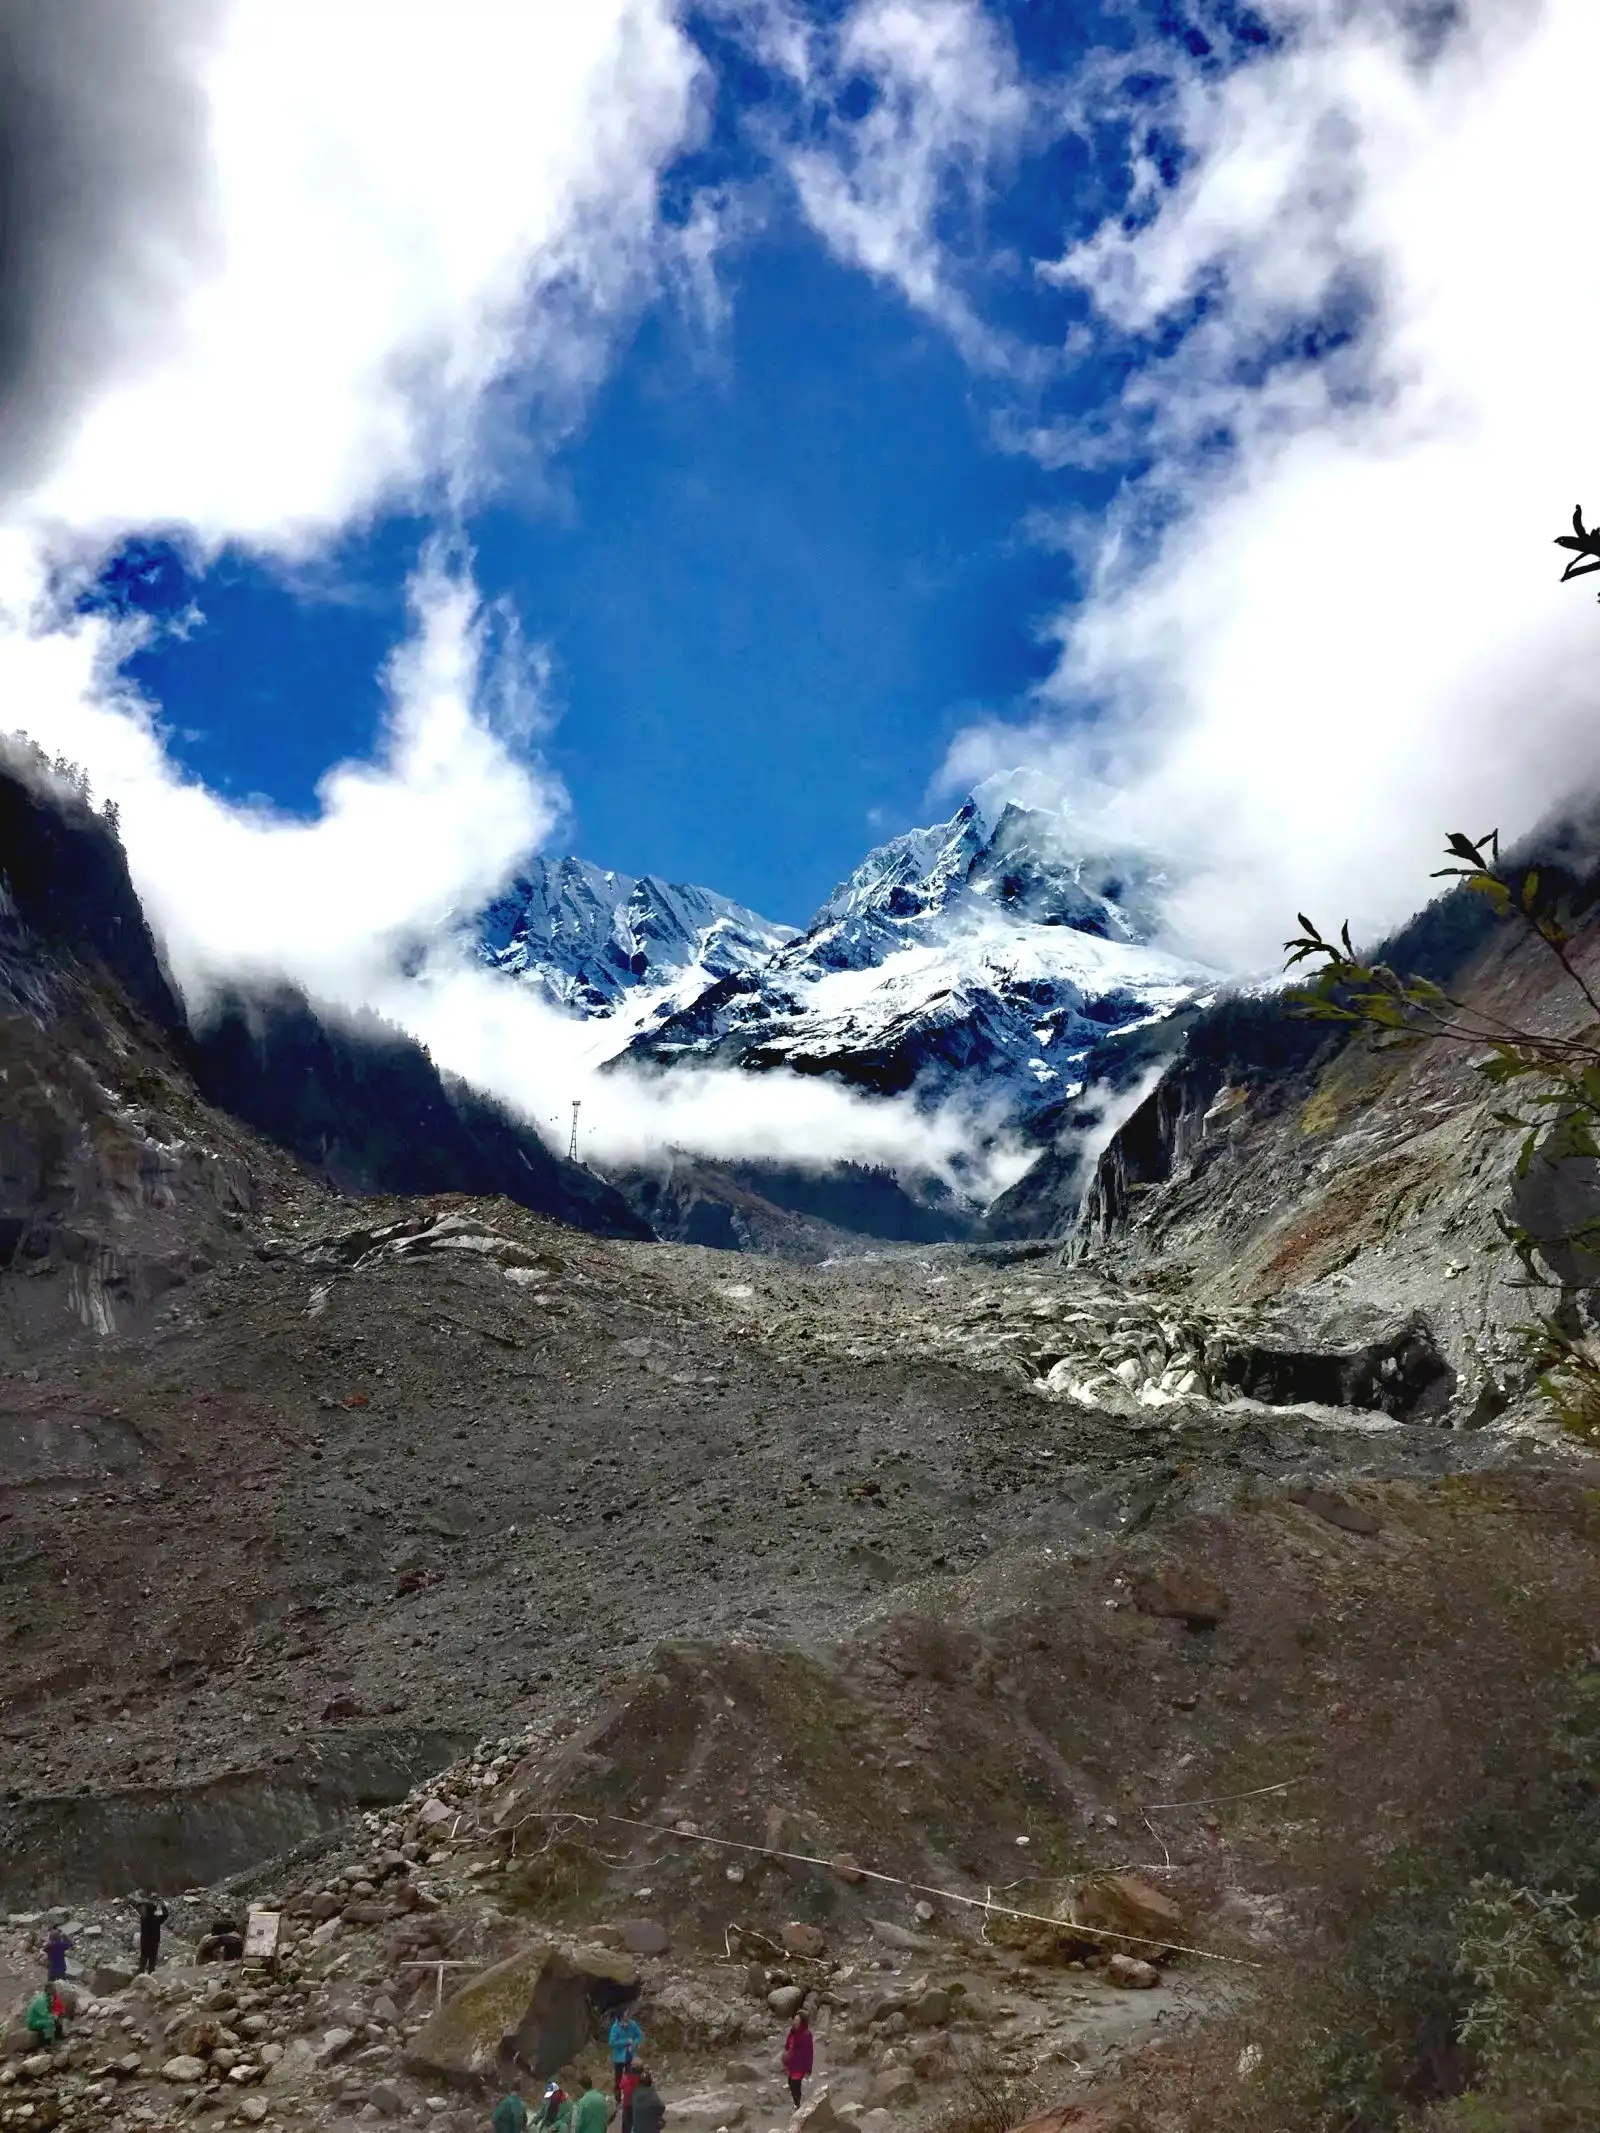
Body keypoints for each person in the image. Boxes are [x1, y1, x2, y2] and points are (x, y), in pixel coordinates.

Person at [608, 2011, 644, 2098]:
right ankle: (617, 2098)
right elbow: (612, 2042)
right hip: (619, 2057)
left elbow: (639, 2035)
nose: (627, 2016)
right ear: (621, 2016)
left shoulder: (632, 2024)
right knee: (618, 2079)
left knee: (631, 2077)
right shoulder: (615, 2027)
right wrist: (626, 2041)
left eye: (628, 2014)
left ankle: (631, 2096)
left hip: (630, 2055)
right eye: (625, 2014)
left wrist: (634, 2044)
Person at [782, 2011, 813, 2108]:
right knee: (790, 2083)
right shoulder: (793, 2031)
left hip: (799, 2064)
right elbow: (788, 2044)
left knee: (795, 2085)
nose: (794, 2022)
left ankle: (797, 2105)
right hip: (791, 2062)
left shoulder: (806, 2035)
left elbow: (809, 2053)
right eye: (794, 2019)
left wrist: (808, 2069)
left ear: (802, 2022)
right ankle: (797, 2103)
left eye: (797, 2020)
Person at [137, 1896, 169, 1974]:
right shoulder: (155, 1920)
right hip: (153, 1944)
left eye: (144, 1910)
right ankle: (149, 1976)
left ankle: (140, 1976)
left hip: (145, 1944)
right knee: (151, 1962)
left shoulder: (144, 1919)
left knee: (143, 1963)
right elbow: (165, 1914)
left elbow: (138, 1906)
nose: (142, 1911)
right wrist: (162, 1905)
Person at [618, 2060, 641, 2133]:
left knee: (626, 2124)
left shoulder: (625, 2078)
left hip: (627, 2103)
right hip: (637, 2103)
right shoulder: (640, 2078)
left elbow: (620, 2086)